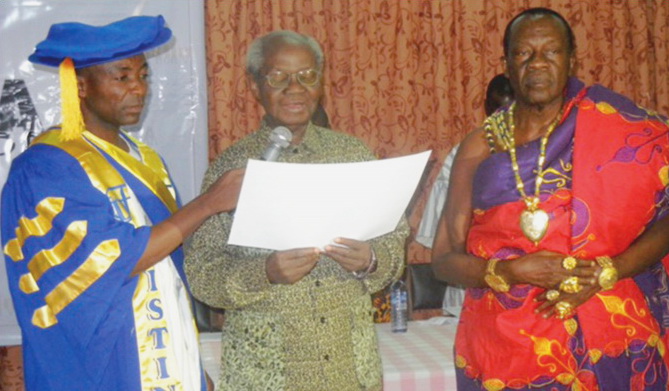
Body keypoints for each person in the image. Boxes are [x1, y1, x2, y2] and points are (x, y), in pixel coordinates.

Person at [1, 16, 243, 390]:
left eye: (144, 76)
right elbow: (111, 258)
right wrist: (209, 203)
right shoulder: (46, 166)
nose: (139, 89)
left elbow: (167, 273)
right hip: (103, 366)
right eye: (122, 77)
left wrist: (190, 362)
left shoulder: (146, 160)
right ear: (79, 86)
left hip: (166, 356)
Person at [432, 7, 669, 390]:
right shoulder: (479, 147)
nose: (537, 63)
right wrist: (508, 272)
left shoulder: (618, 129)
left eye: (551, 52)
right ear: (507, 63)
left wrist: (611, 269)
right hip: (504, 348)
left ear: (572, 59)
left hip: (608, 337)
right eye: (524, 53)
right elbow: (443, 260)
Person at [184, 30, 408, 391]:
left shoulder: (353, 156)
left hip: (349, 368)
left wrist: (371, 260)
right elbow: (202, 275)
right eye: (278, 77)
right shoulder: (232, 169)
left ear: (320, 82)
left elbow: (395, 243)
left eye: (307, 76)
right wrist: (265, 272)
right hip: (266, 374)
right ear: (256, 87)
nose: (295, 88)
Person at [416, 74, 513, 317]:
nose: (504, 119)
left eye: (511, 110)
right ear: (486, 109)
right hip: (471, 287)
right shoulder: (466, 154)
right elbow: (445, 236)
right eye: (497, 110)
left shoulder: (548, 151)